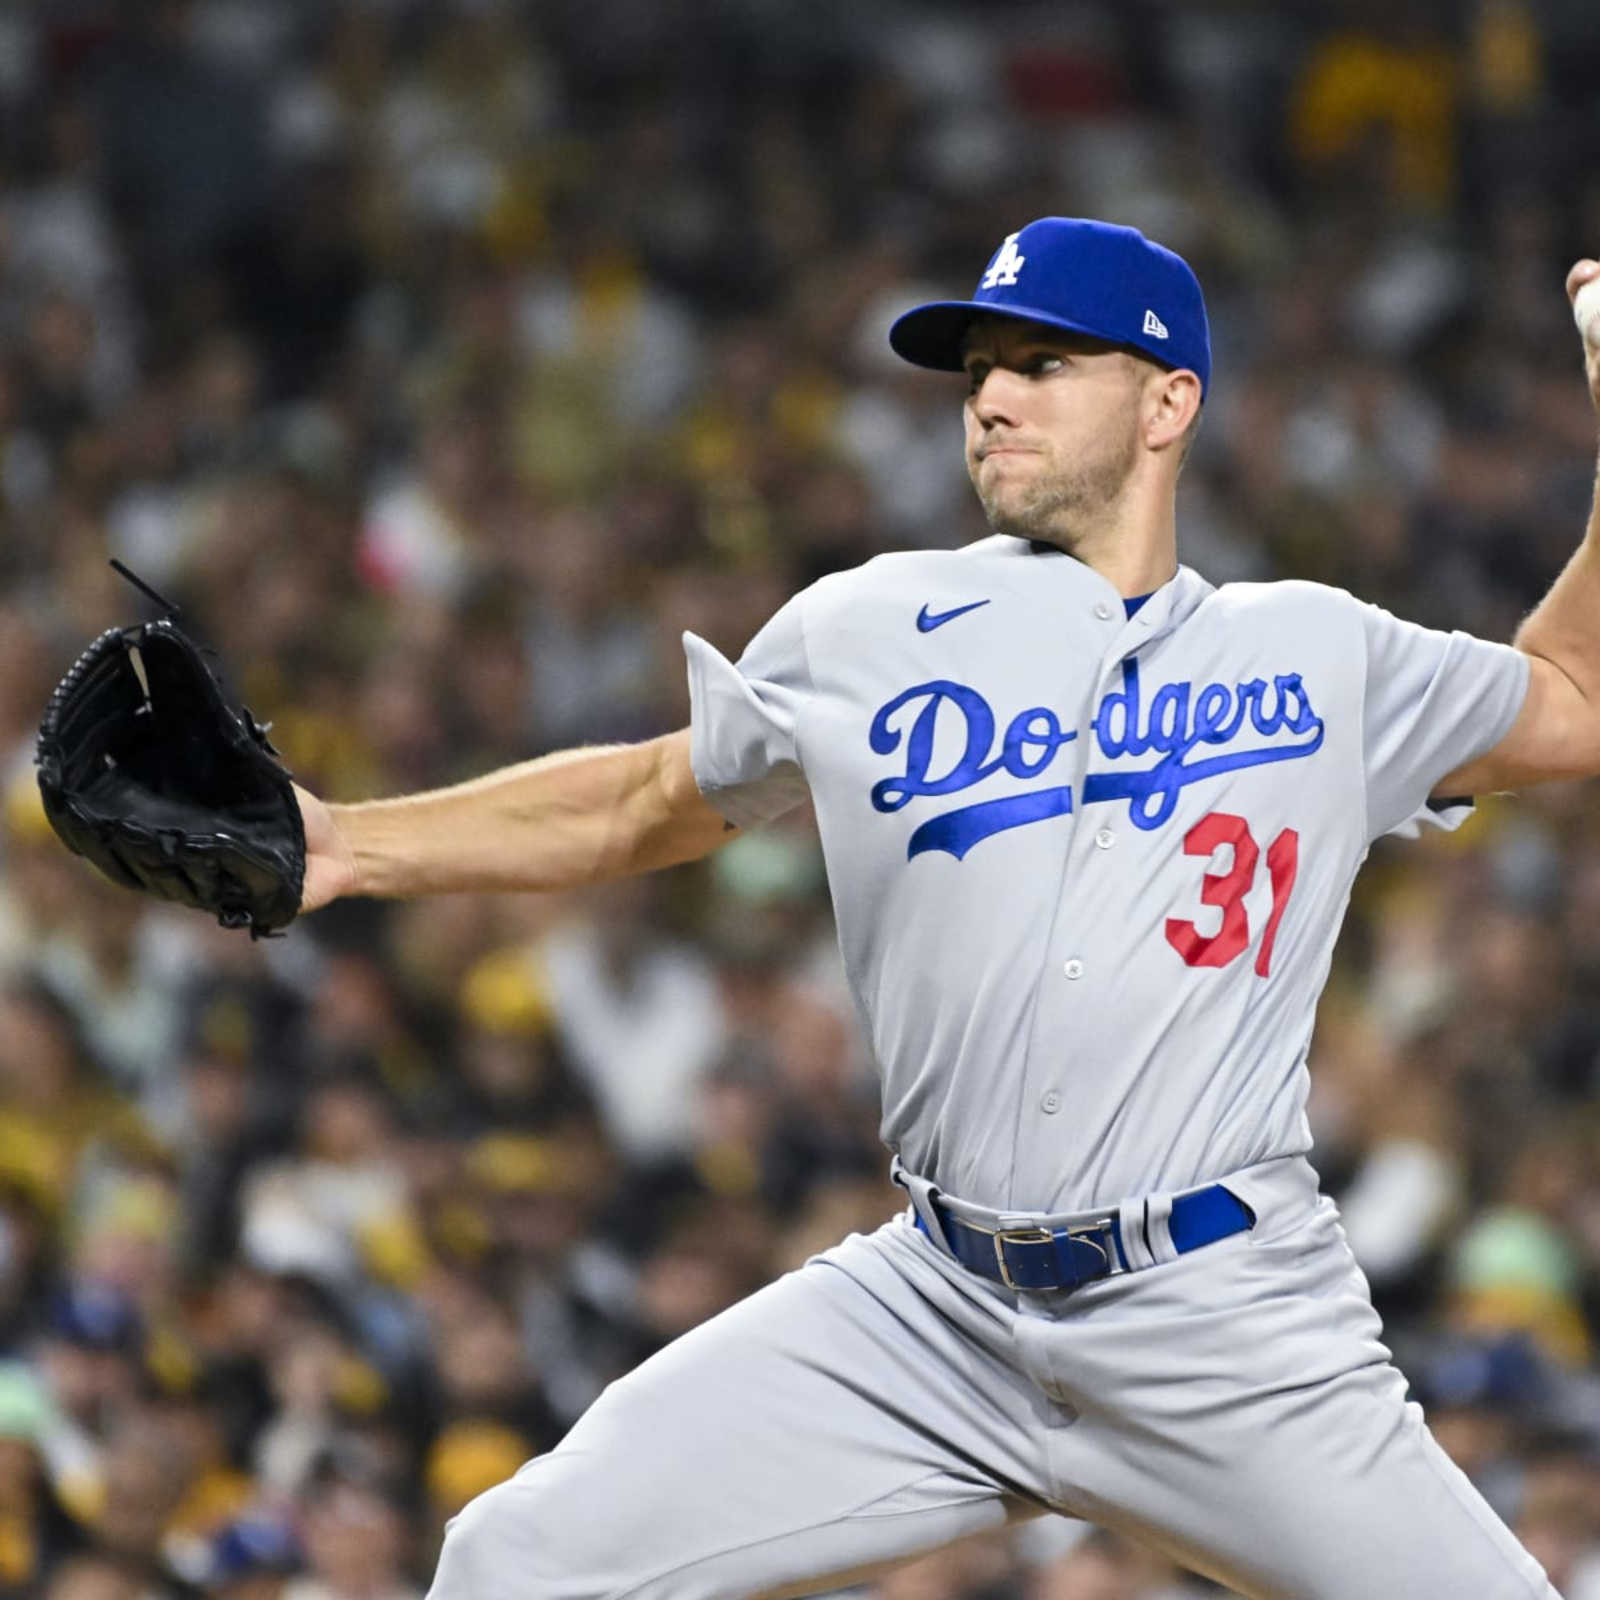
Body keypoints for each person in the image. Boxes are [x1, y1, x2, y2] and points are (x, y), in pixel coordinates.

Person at [292, 218, 1600, 1598]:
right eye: (979, 366)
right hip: (938, 1306)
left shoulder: (1321, 652)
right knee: (516, 1560)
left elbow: (1573, 702)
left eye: (1042, 363)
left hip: (1226, 1319)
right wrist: (348, 845)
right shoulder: (864, 626)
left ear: (1171, 401)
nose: (991, 397)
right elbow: (642, 800)